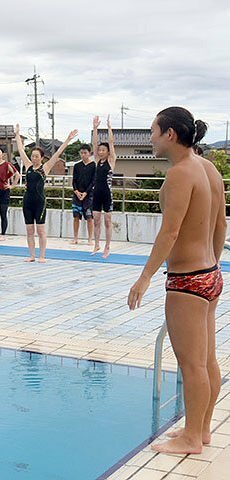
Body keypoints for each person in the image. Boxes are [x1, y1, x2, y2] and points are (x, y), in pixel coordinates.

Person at [128, 107, 223, 455]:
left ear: (170, 135)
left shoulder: (180, 174)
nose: (150, 138)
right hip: (209, 275)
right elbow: (221, 225)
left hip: (187, 281)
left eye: (153, 131)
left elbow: (169, 232)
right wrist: (211, 265)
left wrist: (145, 276)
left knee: (192, 364)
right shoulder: (208, 168)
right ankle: (201, 429)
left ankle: (191, 439)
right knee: (207, 360)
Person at [15, 125, 79, 262]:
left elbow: (58, 154)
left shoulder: (46, 168)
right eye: (32, 156)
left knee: (41, 231)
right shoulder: (28, 166)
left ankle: (42, 255)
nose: (34, 158)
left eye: (37, 156)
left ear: (42, 158)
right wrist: (17, 134)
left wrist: (68, 139)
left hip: (40, 203)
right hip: (27, 202)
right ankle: (31, 255)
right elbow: (20, 150)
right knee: (29, 231)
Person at [91, 115, 117, 258]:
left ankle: (107, 246)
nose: (100, 152)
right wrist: (95, 128)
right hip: (96, 194)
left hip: (107, 194)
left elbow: (111, 143)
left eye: (103, 150)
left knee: (107, 220)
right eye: (99, 150)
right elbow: (94, 145)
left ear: (107, 152)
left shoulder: (111, 161)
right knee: (96, 220)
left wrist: (109, 128)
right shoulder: (96, 160)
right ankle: (96, 244)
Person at [71, 144, 96, 244]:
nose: (83, 155)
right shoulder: (77, 166)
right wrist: (76, 191)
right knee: (76, 217)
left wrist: (86, 193)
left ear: (89, 153)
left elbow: (93, 181)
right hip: (77, 195)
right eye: (81, 153)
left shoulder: (93, 165)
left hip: (88, 196)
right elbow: (74, 180)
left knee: (89, 217)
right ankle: (75, 238)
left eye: (85, 153)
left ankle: (90, 239)